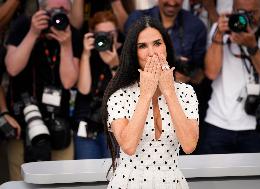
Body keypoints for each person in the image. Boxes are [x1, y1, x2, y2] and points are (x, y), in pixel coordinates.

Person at [101, 16, 199, 188]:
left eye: (157, 43)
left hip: (171, 181)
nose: (152, 53)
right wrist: (146, 94)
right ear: (134, 53)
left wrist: (169, 91)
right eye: (142, 46)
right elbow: (129, 146)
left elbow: (189, 145)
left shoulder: (186, 92)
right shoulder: (119, 96)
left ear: (167, 47)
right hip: (129, 182)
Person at [4, 0, 81, 180]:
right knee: (22, 181)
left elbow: (69, 81)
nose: (59, 15)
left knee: (61, 181)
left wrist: (66, 45)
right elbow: (12, 68)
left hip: (59, 122)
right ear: (41, 10)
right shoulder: (24, 26)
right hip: (24, 122)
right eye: (54, 10)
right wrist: (33, 33)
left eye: (64, 11)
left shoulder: (72, 35)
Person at [199, 0, 260, 154]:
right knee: (212, 177)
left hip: (257, 125)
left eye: (252, 13)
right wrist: (219, 35)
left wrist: (252, 47)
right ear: (232, 11)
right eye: (241, 12)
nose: (246, 18)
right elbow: (211, 73)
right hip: (218, 123)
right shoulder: (219, 30)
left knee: (259, 178)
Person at [74, 10, 123, 159]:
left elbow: (125, 93)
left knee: (115, 175)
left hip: (115, 126)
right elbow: (83, 89)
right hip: (87, 124)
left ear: (117, 32)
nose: (106, 37)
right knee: (87, 176)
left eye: (110, 33)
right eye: (101, 33)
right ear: (92, 34)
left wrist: (114, 64)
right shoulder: (88, 52)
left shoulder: (126, 51)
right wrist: (85, 55)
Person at [125, 0, 207, 85]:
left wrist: (188, 74)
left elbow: (200, 76)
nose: (172, 2)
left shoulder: (196, 26)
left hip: (178, 92)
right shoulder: (137, 19)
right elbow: (126, 62)